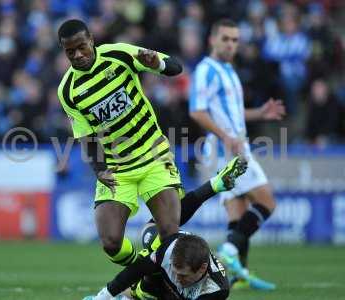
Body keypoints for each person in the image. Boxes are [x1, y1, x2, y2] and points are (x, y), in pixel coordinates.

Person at [57, 19, 185, 267]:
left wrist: (156, 63)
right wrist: (99, 169)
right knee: (111, 243)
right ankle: (144, 271)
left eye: (82, 47)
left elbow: (175, 67)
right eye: (70, 51)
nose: (78, 55)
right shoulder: (67, 90)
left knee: (169, 233)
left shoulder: (119, 54)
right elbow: (86, 137)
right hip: (118, 169)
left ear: (92, 40)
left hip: (154, 156)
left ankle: (157, 278)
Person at [189, 19, 285, 290]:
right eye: (226, 39)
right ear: (212, 39)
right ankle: (230, 250)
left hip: (230, 145)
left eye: (235, 40)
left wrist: (259, 113)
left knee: (237, 212)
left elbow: (231, 111)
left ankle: (236, 276)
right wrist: (227, 138)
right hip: (229, 149)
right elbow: (197, 111)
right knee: (267, 202)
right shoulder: (206, 71)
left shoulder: (228, 70)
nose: (231, 45)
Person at [84, 156, 248, 300]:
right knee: (150, 238)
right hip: (164, 248)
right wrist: (103, 296)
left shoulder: (216, 290)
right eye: (176, 272)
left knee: (147, 284)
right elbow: (134, 272)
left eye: (183, 275)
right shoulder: (168, 253)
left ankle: (215, 185)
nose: (178, 278)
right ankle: (214, 185)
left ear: (203, 269)